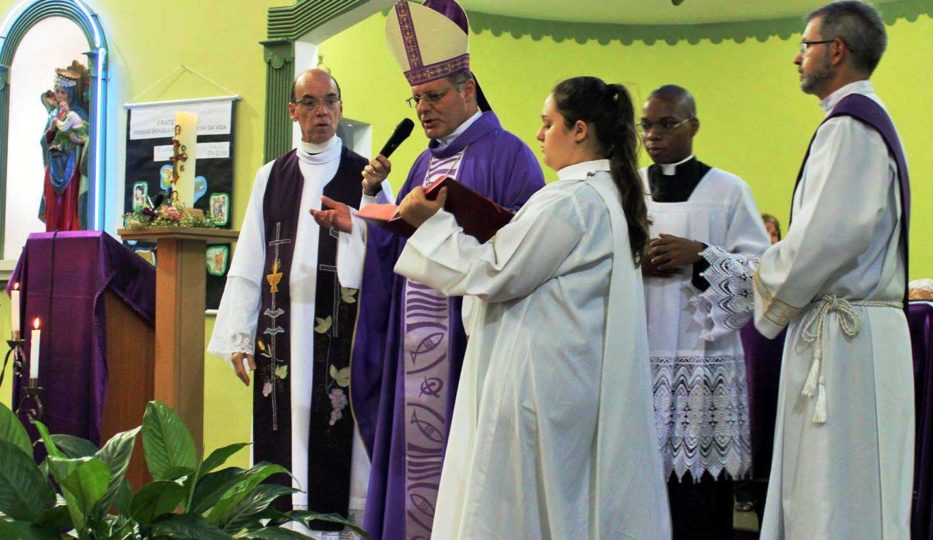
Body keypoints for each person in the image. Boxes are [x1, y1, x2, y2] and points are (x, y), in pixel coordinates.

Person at [386, 75, 670, 539]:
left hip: (537, 385)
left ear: (579, 130)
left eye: (547, 123)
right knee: (560, 507)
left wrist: (429, 224)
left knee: (518, 511)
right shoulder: (605, 195)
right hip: (568, 379)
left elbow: (493, 273)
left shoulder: (571, 200)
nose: (539, 135)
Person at [311, 2, 544, 537]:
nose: (422, 108)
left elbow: (522, 255)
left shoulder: (511, 157)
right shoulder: (420, 163)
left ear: (469, 88)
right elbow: (401, 251)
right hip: (414, 351)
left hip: (469, 348)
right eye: (415, 97)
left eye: (433, 96)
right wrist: (363, 223)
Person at [754, 2, 912, 538]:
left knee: (835, 493)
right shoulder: (868, 121)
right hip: (860, 333)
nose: (796, 57)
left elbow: (825, 241)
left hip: (845, 344)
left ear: (836, 51)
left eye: (805, 45)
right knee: (851, 488)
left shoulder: (849, 128)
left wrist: (756, 281)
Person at [209, 69, 390, 537]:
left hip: (344, 336)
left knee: (339, 444)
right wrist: (238, 335)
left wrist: (370, 203)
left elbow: (391, 253)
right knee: (285, 437)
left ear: (341, 107)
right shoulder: (271, 176)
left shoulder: (365, 175)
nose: (321, 111)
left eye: (330, 100)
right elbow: (250, 256)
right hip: (282, 333)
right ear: (293, 112)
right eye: (309, 102)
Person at [638, 84, 769, 538]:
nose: (654, 135)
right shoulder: (627, 188)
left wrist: (701, 256)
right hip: (641, 351)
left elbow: (760, 271)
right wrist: (638, 264)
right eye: (647, 125)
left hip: (704, 355)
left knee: (699, 499)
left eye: (667, 124)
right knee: (640, 483)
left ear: (693, 125)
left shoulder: (729, 190)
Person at [40, 60, 90, 232]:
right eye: (57, 92)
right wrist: (52, 129)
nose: (59, 96)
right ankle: (52, 232)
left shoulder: (80, 113)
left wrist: (74, 136)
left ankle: (69, 233)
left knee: (69, 201)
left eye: (63, 92)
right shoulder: (53, 114)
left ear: (70, 95)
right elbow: (45, 140)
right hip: (54, 164)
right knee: (53, 202)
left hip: (71, 162)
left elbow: (85, 137)